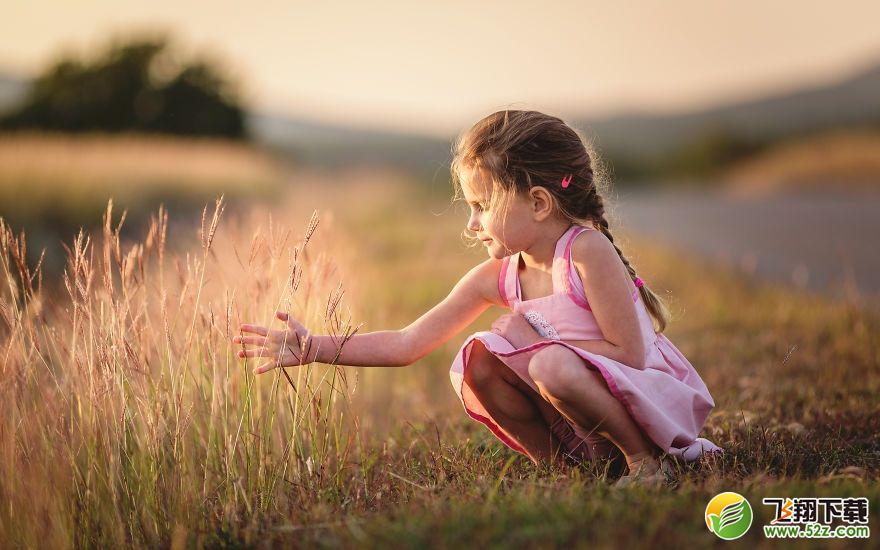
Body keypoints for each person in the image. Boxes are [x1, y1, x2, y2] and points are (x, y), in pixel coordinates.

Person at [233, 110, 722, 487]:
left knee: (546, 364)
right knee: (479, 360)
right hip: (579, 413)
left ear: (537, 202)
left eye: (482, 206)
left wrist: (534, 345)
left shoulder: (586, 253)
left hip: (642, 402)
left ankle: (645, 463)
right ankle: (570, 470)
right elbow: (407, 344)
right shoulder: (497, 277)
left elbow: (630, 357)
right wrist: (314, 347)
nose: (471, 224)